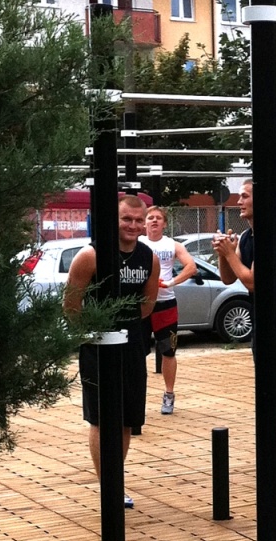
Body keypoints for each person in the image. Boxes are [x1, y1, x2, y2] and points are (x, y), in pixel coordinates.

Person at [212, 179, 276, 477]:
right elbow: (229, 278)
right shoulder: (247, 237)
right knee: (270, 387)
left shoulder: (272, 237)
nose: (239, 200)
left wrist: (230, 255)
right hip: (263, 322)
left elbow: (254, 281)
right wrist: (225, 253)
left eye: (245, 196)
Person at [63, 195, 161, 508]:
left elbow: (147, 305)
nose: (132, 225)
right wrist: (95, 334)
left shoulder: (149, 258)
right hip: (97, 347)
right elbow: (71, 306)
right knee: (101, 419)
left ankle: (115, 479)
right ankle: (108, 486)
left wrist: (127, 329)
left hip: (131, 346)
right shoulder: (90, 256)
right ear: (114, 220)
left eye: (137, 220)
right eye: (126, 219)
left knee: (127, 420)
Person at [140, 206, 197, 415]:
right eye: (150, 218)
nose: (154, 221)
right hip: (142, 305)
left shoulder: (172, 245)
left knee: (168, 351)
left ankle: (169, 394)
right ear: (145, 222)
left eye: (158, 218)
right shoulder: (138, 244)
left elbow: (191, 267)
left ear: (164, 223)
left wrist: (171, 282)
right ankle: (136, 394)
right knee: (138, 352)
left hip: (166, 305)